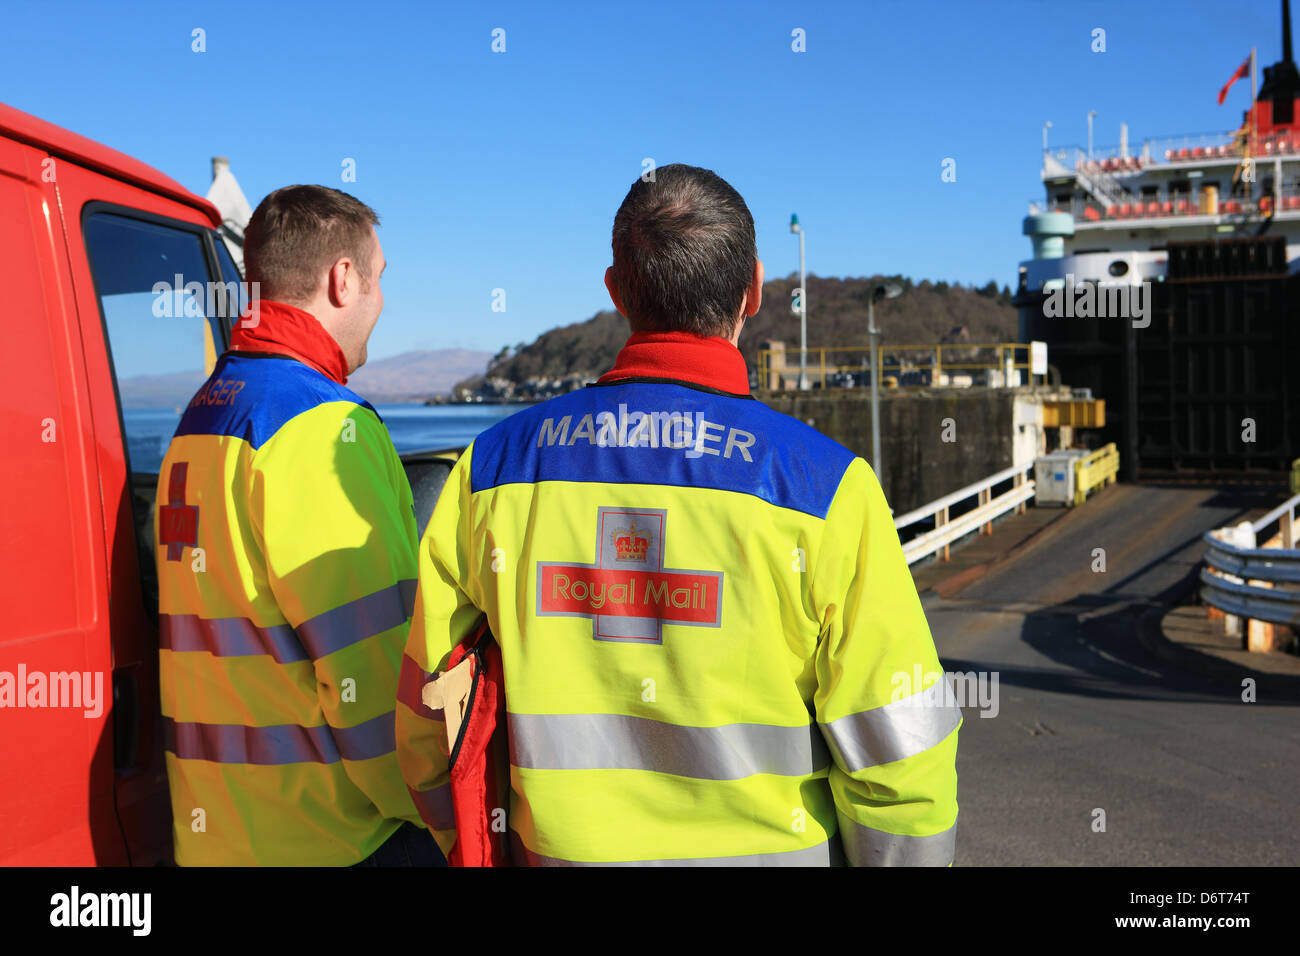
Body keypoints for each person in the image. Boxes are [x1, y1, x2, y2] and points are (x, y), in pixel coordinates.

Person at [396, 164, 960, 866]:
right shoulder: (826, 488)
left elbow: (429, 722)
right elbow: (899, 753)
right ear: (753, 290)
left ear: (615, 291)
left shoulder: (491, 471)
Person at [155, 185, 443, 866]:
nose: (381, 304)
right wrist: (431, 808)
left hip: (215, 835)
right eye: (379, 280)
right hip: (332, 839)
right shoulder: (326, 428)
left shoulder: (203, 415)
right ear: (344, 280)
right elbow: (373, 678)